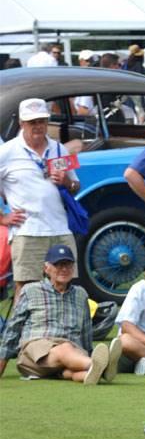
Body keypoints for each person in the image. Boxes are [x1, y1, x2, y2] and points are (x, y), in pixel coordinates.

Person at [0, 98, 81, 303]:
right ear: (22, 124)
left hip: (60, 228)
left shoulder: (59, 149)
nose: (37, 126)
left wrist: (65, 182)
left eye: (41, 121)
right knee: (26, 286)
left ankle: (61, 332)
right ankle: (20, 334)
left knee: (66, 284)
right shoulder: (7, 152)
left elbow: (75, 186)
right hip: (27, 230)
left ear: (47, 122)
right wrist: (3, 218)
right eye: (32, 122)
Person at [0, 245, 118, 384]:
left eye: (68, 265)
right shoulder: (31, 290)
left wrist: (88, 351)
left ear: (73, 268)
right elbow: (14, 328)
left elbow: (86, 331)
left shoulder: (81, 294)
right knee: (65, 349)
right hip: (36, 351)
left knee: (71, 368)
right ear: (46, 268)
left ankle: (92, 373)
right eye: (58, 265)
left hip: (72, 351)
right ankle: (101, 365)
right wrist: (2, 362)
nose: (64, 269)